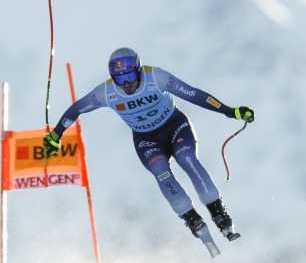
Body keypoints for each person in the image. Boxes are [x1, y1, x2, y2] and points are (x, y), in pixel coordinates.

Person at [43, 47, 254, 242]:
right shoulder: (106, 92)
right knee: (161, 171)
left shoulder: (156, 77)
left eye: (130, 76)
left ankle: (219, 213)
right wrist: (56, 135)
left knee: (186, 159)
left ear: (139, 70)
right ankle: (190, 217)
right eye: (119, 78)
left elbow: (193, 94)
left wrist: (229, 110)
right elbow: (77, 109)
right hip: (146, 139)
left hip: (175, 126)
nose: (126, 84)